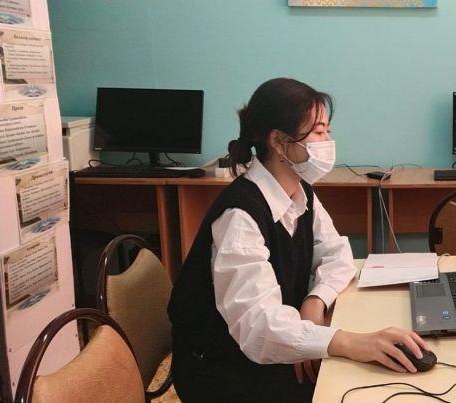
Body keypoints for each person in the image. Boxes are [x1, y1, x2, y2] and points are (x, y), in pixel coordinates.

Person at [168, 77, 430, 402]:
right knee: (356, 385)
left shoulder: (300, 191)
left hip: (267, 346)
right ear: (279, 141)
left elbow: (337, 255)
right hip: (223, 370)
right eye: (318, 132)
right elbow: (258, 325)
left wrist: (314, 302)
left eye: (328, 131)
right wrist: (348, 342)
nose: (328, 142)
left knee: (362, 374)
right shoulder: (239, 215)